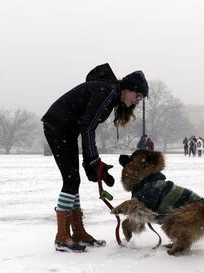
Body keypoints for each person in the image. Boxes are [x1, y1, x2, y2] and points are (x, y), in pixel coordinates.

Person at [41, 63, 148, 253]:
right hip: (58, 127)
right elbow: (88, 127)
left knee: (73, 179)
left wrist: (89, 163)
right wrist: (94, 162)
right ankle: (62, 236)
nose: (136, 102)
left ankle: (78, 232)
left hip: (65, 129)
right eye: (137, 97)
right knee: (71, 180)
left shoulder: (111, 93)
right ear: (129, 88)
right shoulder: (107, 91)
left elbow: (86, 127)